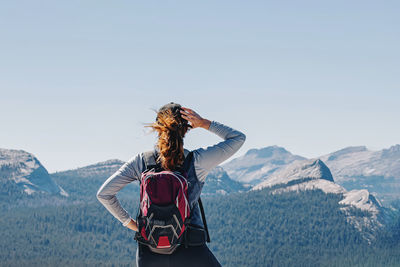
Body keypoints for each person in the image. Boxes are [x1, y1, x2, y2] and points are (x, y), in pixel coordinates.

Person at [97, 102, 246, 267]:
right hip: (191, 248)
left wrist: (131, 224)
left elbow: (104, 194)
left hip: (149, 251)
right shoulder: (196, 161)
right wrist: (204, 123)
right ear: (186, 129)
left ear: (157, 128)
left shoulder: (142, 161)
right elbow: (238, 138)